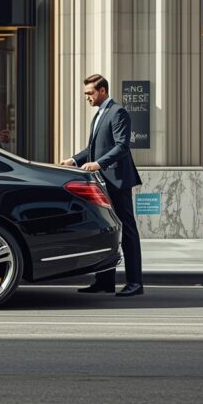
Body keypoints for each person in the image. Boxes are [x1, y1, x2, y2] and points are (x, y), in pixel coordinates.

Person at [60, 73, 143, 297]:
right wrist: (74, 160)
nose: (87, 97)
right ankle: (104, 281)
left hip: (117, 181)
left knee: (127, 230)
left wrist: (98, 164)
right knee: (106, 229)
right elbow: (94, 148)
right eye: (86, 93)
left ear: (103, 91)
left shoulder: (118, 112)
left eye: (90, 93)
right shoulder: (99, 114)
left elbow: (121, 146)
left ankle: (135, 283)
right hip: (103, 181)